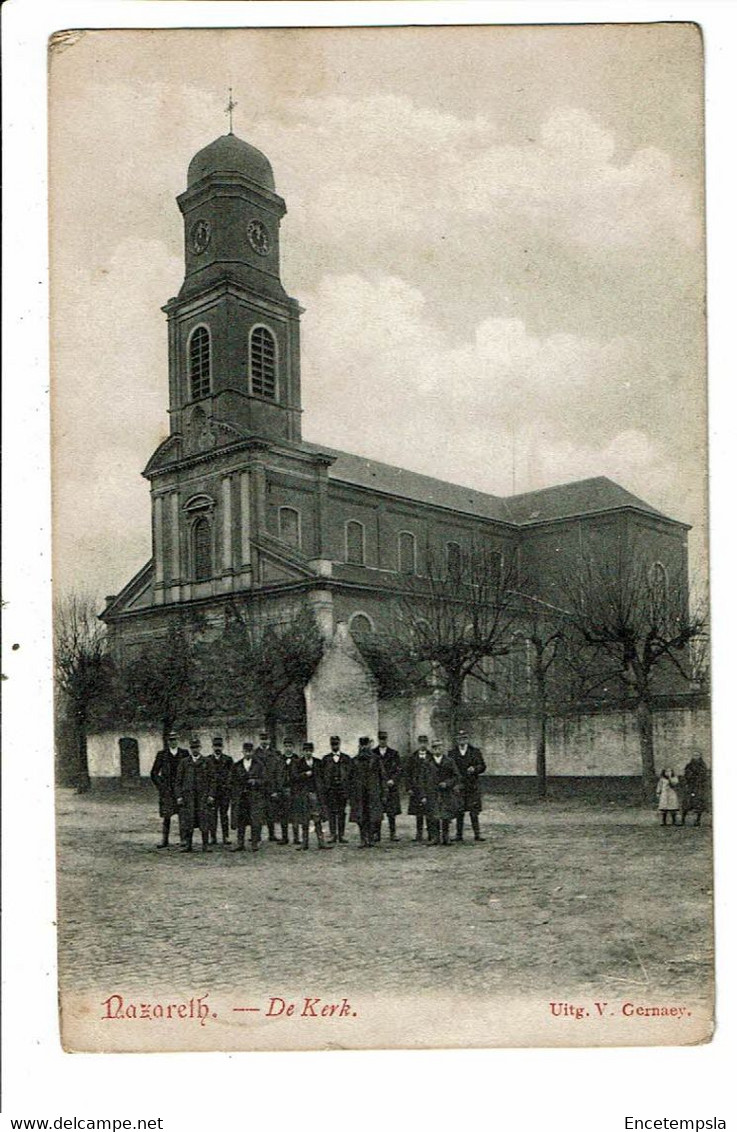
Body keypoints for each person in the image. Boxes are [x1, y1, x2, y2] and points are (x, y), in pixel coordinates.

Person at [175, 737, 215, 853]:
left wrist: (211, 795)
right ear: (190, 749)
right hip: (189, 797)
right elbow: (178, 781)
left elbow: (213, 780)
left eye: (197, 747)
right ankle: (188, 845)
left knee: (204, 820)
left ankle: (205, 845)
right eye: (192, 748)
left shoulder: (207, 761)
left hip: (203, 796)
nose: (195, 750)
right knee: (189, 821)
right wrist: (179, 796)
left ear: (200, 748)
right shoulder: (184, 762)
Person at [420, 740, 461, 845]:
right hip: (432, 792)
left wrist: (447, 783)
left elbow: (456, 776)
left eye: (439, 747)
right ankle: (435, 837)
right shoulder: (426, 763)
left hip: (446, 792)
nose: (437, 750)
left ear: (443, 748)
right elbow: (422, 780)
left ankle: (446, 836)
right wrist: (423, 795)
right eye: (435, 748)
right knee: (433, 815)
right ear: (432, 749)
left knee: (446, 815)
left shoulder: (449, 761)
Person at [150, 730, 187, 848]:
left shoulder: (184, 753)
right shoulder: (162, 754)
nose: (173, 742)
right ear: (168, 741)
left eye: (175, 739)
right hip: (167, 790)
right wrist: (161, 786)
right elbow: (154, 772)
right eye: (171, 740)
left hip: (180, 789)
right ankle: (164, 840)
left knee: (182, 815)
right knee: (166, 815)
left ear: (178, 740)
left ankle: (183, 839)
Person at [449, 729, 487, 842]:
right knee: (459, 811)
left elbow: (483, 766)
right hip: (459, 785)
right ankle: (459, 835)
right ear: (456, 740)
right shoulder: (452, 753)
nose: (462, 740)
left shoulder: (475, 751)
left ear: (467, 739)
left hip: (472, 785)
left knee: (474, 811)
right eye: (460, 738)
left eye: (464, 738)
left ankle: (477, 834)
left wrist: (475, 768)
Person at [293, 742, 332, 851]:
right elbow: (294, 777)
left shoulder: (318, 762)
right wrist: (305, 774)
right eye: (306, 750)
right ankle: (304, 843)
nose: (308, 752)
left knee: (317, 818)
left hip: (315, 793)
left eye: (310, 750)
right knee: (304, 819)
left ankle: (321, 842)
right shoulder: (298, 763)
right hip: (303, 794)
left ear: (312, 751)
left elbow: (323, 777)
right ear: (303, 751)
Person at [230, 742, 267, 852]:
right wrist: (236, 790)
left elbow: (265, 780)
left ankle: (255, 843)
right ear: (243, 752)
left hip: (254, 797)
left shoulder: (259, 765)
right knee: (241, 820)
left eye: (250, 751)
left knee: (255, 820)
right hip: (241, 797)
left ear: (252, 752)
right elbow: (231, 781)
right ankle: (240, 843)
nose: (248, 753)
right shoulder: (237, 765)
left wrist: (255, 781)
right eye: (245, 751)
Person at [349, 737, 386, 848]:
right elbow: (349, 779)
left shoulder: (376, 760)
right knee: (360, 817)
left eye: (366, 745)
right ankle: (362, 838)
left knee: (372, 816)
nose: (364, 747)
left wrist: (383, 792)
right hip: (359, 793)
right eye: (362, 745)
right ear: (359, 746)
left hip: (373, 792)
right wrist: (351, 794)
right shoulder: (354, 760)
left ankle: (370, 838)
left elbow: (382, 776)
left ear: (369, 746)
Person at [321, 735, 352, 843]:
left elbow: (350, 775)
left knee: (342, 812)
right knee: (331, 812)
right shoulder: (326, 759)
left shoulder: (346, 758)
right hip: (331, 790)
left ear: (339, 744)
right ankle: (333, 834)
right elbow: (322, 776)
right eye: (333, 744)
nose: (335, 746)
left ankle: (341, 835)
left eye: (336, 744)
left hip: (342, 790)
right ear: (330, 745)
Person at [372, 731, 402, 842]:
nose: (382, 741)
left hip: (391, 786)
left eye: (384, 739)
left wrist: (393, 780)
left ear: (387, 739)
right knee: (377, 811)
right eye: (380, 739)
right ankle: (376, 834)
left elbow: (399, 769)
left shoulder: (394, 753)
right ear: (378, 740)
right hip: (379, 787)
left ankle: (392, 833)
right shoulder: (373, 753)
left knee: (391, 811)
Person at [271, 737, 300, 845]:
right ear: (284, 747)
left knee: (295, 815)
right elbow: (274, 776)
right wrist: (275, 790)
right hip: (282, 790)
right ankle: (285, 837)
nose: (288, 748)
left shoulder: (298, 760)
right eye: (286, 746)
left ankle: (296, 838)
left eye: (290, 746)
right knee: (283, 815)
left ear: (293, 747)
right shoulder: (279, 760)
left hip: (294, 790)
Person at [255, 731, 282, 842]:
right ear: (259, 740)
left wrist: (276, 789)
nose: (264, 741)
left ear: (269, 740)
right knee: (258, 811)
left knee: (271, 811)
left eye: (266, 739)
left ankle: (272, 834)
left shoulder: (275, 753)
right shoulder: (255, 753)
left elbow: (278, 772)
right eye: (262, 739)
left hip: (271, 786)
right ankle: (257, 835)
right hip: (259, 786)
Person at [405, 734, 431, 842]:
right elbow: (407, 773)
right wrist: (409, 787)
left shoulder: (431, 756)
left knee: (429, 812)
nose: (423, 745)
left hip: (428, 787)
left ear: (427, 743)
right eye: (421, 742)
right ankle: (419, 834)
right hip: (416, 788)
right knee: (418, 813)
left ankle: (431, 833)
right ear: (418, 743)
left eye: (425, 742)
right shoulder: (412, 757)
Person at [208, 735, 233, 845]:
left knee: (224, 815)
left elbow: (231, 775)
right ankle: (213, 837)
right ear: (212, 747)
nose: (217, 748)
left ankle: (225, 836)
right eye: (215, 746)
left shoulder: (228, 760)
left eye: (219, 746)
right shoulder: (207, 760)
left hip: (224, 792)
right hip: (212, 793)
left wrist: (227, 787)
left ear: (222, 747)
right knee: (212, 815)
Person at [681, 750, 709, 826]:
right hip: (690, 786)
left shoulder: (703, 765)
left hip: (699, 786)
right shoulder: (689, 765)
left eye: (697, 755)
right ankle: (682, 820)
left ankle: (698, 820)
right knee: (687, 802)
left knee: (698, 803)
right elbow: (686, 774)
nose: (696, 757)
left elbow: (703, 776)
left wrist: (698, 779)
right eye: (694, 755)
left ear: (700, 756)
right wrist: (689, 778)